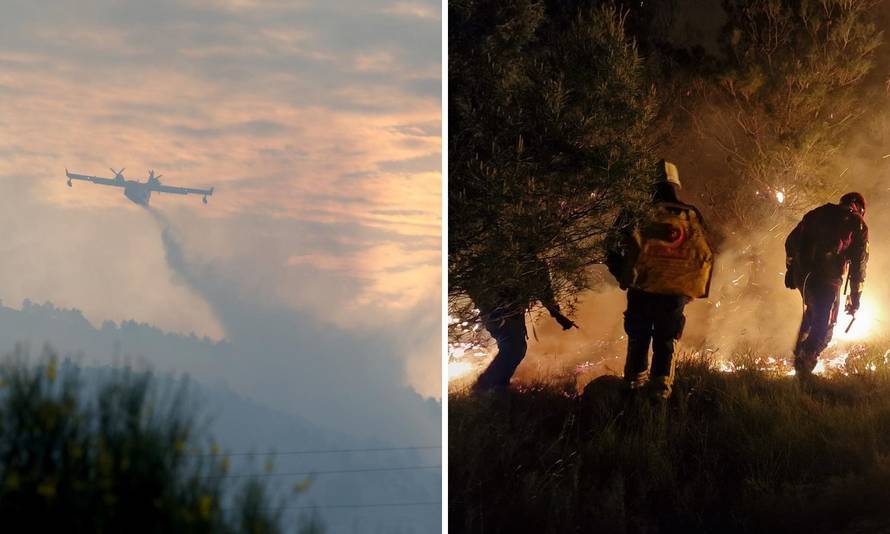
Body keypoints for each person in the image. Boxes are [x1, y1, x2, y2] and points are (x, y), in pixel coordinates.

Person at [606, 160, 713, 400]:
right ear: (676, 184)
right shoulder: (690, 214)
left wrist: (622, 276)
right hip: (674, 293)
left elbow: (610, 247)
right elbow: (704, 254)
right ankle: (660, 396)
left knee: (639, 338)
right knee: (666, 340)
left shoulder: (635, 213)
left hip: (641, 289)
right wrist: (691, 290)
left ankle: (633, 390)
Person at [785, 192, 869, 377]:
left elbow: (791, 241)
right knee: (826, 322)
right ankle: (806, 361)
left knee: (813, 310)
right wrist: (855, 297)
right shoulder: (858, 224)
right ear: (859, 208)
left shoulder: (818, 212)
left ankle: (800, 351)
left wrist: (791, 269)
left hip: (803, 275)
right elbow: (859, 266)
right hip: (827, 278)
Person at [471, 256, 576, 391]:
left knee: (515, 348)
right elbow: (545, 293)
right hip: (499, 311)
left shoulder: (527, 260)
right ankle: (487, 386)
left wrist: (558, 315)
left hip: (507, 311)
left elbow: (544, 292)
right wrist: (557, 315)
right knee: (514, 347)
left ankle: (495, 385)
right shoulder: (523, 260)